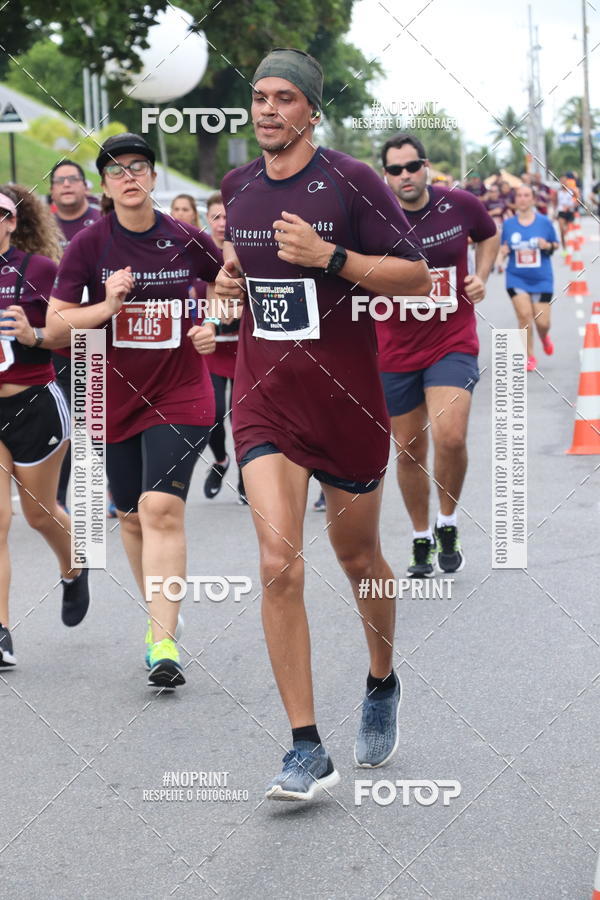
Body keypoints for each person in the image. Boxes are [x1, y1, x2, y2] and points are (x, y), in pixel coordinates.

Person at [217, 48, 430, 800]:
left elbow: (415, 274)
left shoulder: (350, 181)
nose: (267, 109)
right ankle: (306, 747)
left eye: (283, 98)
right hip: (265, 401)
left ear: (310, 109)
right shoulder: (237, 187)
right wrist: (228, 285)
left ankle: (380, 679)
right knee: (279, 564)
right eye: (259, 96)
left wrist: (330, 256)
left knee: (360, 559)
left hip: (347, 402)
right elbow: (242, 275)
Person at [47, 133, 223, 689]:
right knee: (128, 514)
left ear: (152, 177)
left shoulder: (187, 238)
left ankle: (165, 642)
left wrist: (212, 324)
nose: (129, 177)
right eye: (117, 170)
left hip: (181, 392)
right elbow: (55, 326)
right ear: (105, 184)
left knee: (160, 508)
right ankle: (159, 618)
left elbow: (228, 282)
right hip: (108, 394)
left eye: (139, 167)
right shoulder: (89, 247)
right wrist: (108, 304)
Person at [377, 133, 499, 577]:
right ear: (385, 175)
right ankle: (421, 536)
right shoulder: (374, 217)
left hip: (452, 341)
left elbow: (488, 235)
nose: (405, 176)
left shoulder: (459, 205)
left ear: (425, 166)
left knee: (450, 436)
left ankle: (447, 521)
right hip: (394, 349)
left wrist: (481, 276)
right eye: (395, 170)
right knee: (408, 450)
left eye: (413, 166)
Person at [0, 186, 91, 667]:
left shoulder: (38, 270)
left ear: (13, 221)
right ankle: (0, 632)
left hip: (34, 402)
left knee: (40, 514)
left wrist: (33, 333)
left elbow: (72, 329)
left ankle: (76, 567)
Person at [49, 160, 103, 514]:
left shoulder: (101, 221)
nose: (67, 185)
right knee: (65, 420)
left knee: (94, 420)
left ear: (86, 186)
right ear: (52, 190)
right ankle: (58, 500)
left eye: (73, 179)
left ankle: (104, 492)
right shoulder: (40, 224)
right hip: (54, 336)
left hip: (98, 334)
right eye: (59, 181)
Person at [198, 192, 246, 504]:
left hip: (243, 350)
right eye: (215, 217)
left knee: (242, 418)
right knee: (212, 413)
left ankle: (247, 475)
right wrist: (208, 319)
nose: (221, 223)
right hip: (212, 350)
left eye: (226, 217)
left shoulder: (245, 253)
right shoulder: (199, 253)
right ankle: (220, 460)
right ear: (207, 220)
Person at [501, 184, 559, 371]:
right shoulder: (508, 225)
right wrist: (502, 253)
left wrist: (546, 245)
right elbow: (503, 248)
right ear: (515, 200)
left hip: (542, 278)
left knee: (542, 322)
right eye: (519, 195)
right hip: (516, 277)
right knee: (524, 315)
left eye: (527, 195)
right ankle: (528, 356)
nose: (523, 199)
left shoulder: (544, 222)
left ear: (533, 199)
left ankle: (544, 337)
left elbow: (555, 244)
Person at [556, 175, 579, 251]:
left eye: (564, 181)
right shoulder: (558, 192)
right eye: (561, 181)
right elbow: (555, 203)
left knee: (569, 231)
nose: (563, 183)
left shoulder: (572, 191)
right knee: (562, 230)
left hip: (570, 212)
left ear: (567, 182)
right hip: (561, 212)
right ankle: (564, 248)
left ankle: (571, 246)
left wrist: (570, 207)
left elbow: (577, 201)